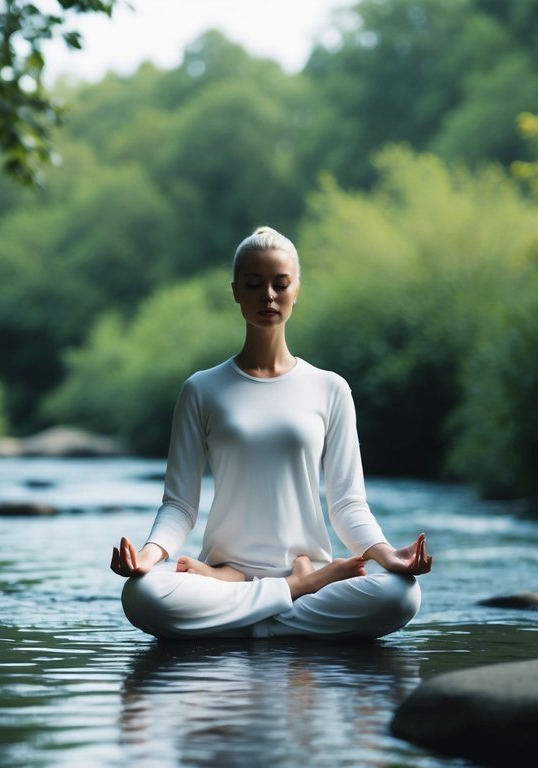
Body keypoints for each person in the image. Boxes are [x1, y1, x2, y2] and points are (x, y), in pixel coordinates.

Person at [110, 226, 432, 640]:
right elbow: (179, 505)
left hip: (275, 577)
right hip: (255, 579)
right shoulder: (201, 389)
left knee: (402, 594)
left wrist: (389, 556)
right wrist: (148, 557)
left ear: (297, 289)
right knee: (143, 594)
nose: (268, 296)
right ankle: (288, 594)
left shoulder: (330, 388)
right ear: (235, 291)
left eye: (280, 285)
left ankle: (250, 610)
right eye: (253, 284)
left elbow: (348, 504)